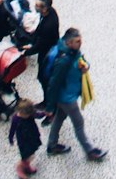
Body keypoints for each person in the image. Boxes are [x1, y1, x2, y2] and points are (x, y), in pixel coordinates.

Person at [45, 28, 107, 160]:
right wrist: (49, 107)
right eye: (77, 41)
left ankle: (52, 145)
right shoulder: (63, 60)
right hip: (67, 98)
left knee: (59, 118)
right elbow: (53, 84)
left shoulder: (73, 52)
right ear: (69, 43)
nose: (81, 43)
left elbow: (82, 60)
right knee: (79, 123)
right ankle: (90, 151)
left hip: (67, 94)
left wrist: (86, 66)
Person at [9, 97, 42, 179]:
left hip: (32, 136)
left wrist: (46, 113)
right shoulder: (16, 119)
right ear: (20, 112)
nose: (28, 116)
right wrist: (11, 138)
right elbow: (12, 129)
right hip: (24, 141)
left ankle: (27, 166)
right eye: (26, 115)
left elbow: (38, 115)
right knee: (26, 155)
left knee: (31, 153)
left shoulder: (30, 114)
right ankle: (19, 167)